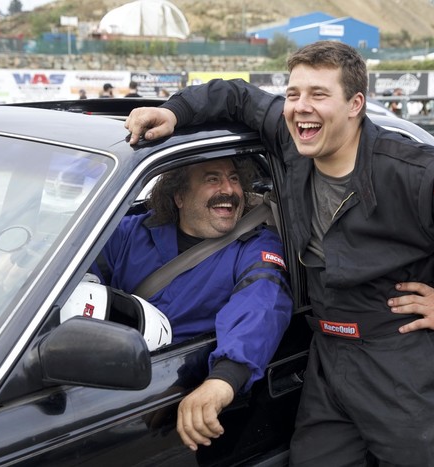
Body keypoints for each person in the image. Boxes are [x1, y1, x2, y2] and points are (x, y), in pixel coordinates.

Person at [124, 40, 434, 466]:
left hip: (404, 361)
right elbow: (235, 96)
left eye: (319, 94)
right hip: (329, 356)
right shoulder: (293, 140)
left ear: (355, 104)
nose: (300, 107)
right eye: (293, 94)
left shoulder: (410, 170)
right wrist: (175, 111)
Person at [89, 157, 293, 452]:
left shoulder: (254, 246)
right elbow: (75, 269)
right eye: (212, 179)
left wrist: (222, 380)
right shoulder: (134, 232)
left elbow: (262, 303)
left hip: (180, 386)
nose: (229, 189)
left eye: (234, 178)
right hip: (103, 370)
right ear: (180, 196)